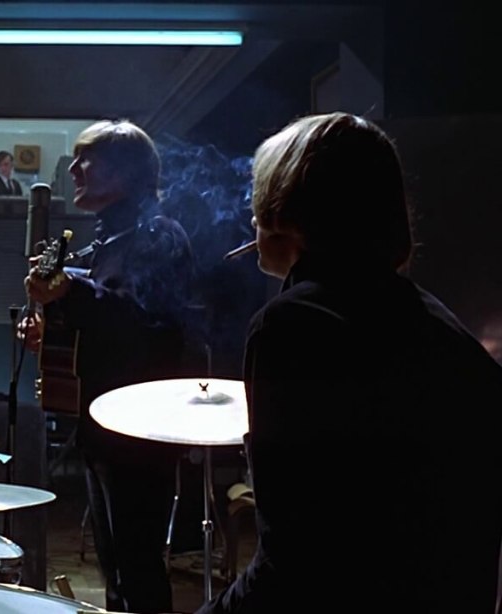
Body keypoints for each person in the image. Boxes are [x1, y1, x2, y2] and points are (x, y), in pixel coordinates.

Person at [196, 112, 502, 613]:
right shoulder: (437, 323)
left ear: (289, 209)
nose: (251, 214)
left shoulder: (293, 325)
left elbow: (295, 561)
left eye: (261, 192)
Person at [22, 119, 195, 613]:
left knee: (138, 575)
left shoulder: (158, 236)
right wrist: (50, 332)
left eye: (87, 159)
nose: (74, 169)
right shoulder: (108, 240)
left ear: (125, 170)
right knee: (117, 576)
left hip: (139, 434)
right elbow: (101, 321)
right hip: (101, 429)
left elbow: (150, 328)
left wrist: (71, 291)